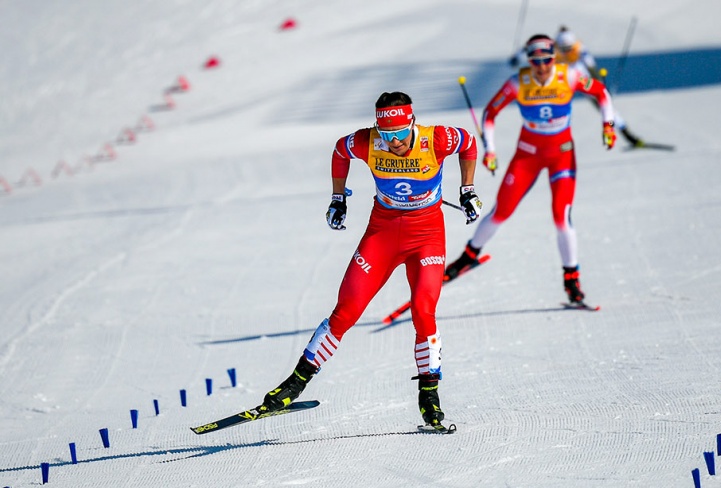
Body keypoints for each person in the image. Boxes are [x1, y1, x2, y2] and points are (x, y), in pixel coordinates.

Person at [252, 91, 482, 429]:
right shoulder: (366, 141)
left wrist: (468, 189)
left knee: (423, 309)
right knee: (346, 309)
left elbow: (469, 144)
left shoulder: (436, 138)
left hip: (426, 236)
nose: (395, 142)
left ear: (412, 123)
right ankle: (295, 383)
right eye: (387, 136)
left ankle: (429, 393)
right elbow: (338, 151)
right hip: (383, 234)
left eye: (401, 134)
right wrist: (337, 197)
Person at [446, 34, 617, 306]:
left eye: (547, 59)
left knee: (561, 216)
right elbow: (490, 114)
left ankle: (571, 280)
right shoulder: (518, 83)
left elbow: (601, 92)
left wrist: (608, 125)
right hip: (527, 155)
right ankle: (469, 256)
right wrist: (489, 149)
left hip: (561, 155)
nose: (542, 66)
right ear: (529, 61)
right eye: (536, 61)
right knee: (501, 211)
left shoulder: (569, 76)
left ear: (554, 58)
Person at [554, 26, 644, 147]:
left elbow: (591, 68)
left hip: (579, 80)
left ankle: (625, 132)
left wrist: (600, 88)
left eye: (568, 48)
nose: (566, 52)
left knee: (606, 109)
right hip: (567, 81)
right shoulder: (562, 48)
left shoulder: (578, 48)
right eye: (563, 49)